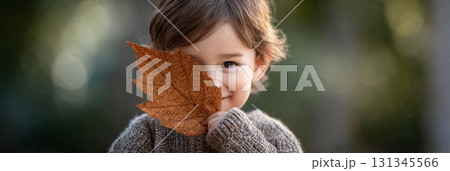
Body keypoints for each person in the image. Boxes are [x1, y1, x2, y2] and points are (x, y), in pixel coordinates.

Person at [109, 0, 303, 153]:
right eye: (190, 64)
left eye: (229, 64)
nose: (210, 82)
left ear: (259, 66)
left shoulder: (272, 135)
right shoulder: (148, 135)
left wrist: (240, 140)